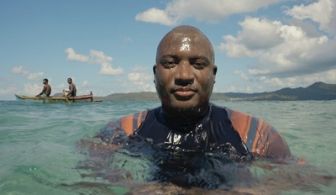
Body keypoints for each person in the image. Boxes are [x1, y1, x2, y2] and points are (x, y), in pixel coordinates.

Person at [96, 25, 291, 187]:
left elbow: (298, 177)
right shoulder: (123, 130)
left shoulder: (255, 135)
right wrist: (133, 187)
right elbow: (90, 174)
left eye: (198, 64)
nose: (184, 75)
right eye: (170, 63)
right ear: (155, 74)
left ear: (213, 75)